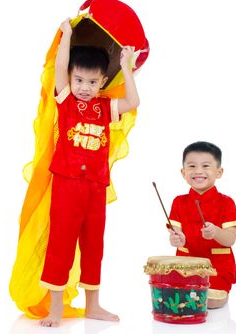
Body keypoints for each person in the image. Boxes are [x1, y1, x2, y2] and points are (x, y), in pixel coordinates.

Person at [39, 18, 140, 327]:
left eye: (92, 82)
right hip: (67, 184)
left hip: (95, 186)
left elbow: (134, 101)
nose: (85, 88)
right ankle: (55, 308)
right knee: (61, 243)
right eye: (79, 80)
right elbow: (59, 68)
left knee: (94, 245)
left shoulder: (104, 106)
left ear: (102, 82)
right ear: (71, 78)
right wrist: (67, 35)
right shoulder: (67, 101)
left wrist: (127, 67)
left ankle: (93, 305)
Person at [168, 141, 236, 309]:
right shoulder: (178, 202)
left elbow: (230, 239)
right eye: (192, 166)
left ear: (219, 172)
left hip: (217, 266)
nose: (198, 171)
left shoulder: (226, 203)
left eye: (206, 166)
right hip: (185, 264)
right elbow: (176, 235)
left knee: (210, 300)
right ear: (183, 172)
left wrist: (216, 232)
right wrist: (177, 239)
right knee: (174, 298)